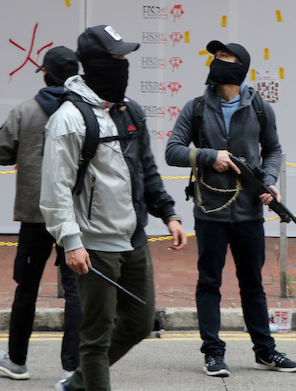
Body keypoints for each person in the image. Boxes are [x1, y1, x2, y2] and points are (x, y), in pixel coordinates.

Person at [40, 24, 188, 391]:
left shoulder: (130, 111)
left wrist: (168, 213)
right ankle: (86, 382)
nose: (124, 64)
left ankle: (77, 384)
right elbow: (55, 189)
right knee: (96, 335)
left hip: (134, 239)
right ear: (94, 63)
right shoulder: (69, 119)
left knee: (139, 322)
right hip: (94, 245)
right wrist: (70, 241)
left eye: (126, 58)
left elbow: (147, 169)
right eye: (117, 58)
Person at [165, 40, 296, 377]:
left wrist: (269, 181)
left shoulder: (259, 108)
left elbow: (273, 150)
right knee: (209, 282)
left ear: (241, 67)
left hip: (249, 212)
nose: (218, 61)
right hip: (209, 211)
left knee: (252, 283)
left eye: (225, 57)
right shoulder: (195, 107)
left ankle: (265, 351)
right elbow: (173, 151)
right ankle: (213, 353)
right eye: (216, 56)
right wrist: (212, 156)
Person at [0, 46, 83, 382]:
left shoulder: (26, 111)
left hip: (34, 214)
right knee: (75, 290)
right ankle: (71, 366)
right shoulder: (84, 110)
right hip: (74, 215)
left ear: (45, 73)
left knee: (27, 287)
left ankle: (17, 361)